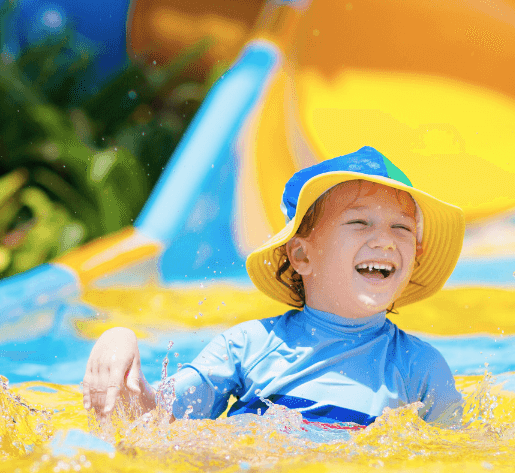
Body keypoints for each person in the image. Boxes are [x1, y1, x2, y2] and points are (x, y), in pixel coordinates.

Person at [81, 146, 466, 426]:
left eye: (401, 228)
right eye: (360, 223)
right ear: (301, 256)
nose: (385, 240)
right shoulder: (249, 347)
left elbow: (458, 457)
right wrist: (119, 344)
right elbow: (153, 422)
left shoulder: (419, 369)